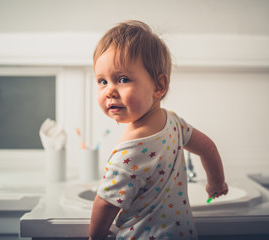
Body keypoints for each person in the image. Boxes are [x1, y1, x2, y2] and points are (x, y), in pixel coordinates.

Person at [89, 20, 228, 240]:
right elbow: (208, 148)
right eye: (102, 81)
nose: (110, 91)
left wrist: (94, 237)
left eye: (123, 79)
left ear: (158, 86)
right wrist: (216, 183)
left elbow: (105, 203)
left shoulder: (130, 151)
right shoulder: (174, 122)